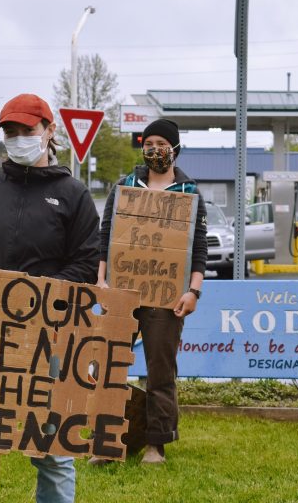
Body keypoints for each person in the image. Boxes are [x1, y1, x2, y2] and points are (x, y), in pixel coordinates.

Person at [0, 93, 100, 503]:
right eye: (10, 131)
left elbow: (85, 264)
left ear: (49, 132)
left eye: (26, 130)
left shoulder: (74, 195)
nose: (17, 138)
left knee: (52, 448)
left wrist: (38, 302)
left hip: (48, 338)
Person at [92, 118, 207, 465]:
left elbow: (198, 248)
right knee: (109, 368)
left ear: (174, 148)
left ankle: (156, 443)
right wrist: (102, 281)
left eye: (161, 143)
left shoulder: (189, 192)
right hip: (122, 295)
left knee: (160, 371)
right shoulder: (125, 187)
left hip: (167, 297)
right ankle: (107, 441)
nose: (154, 149)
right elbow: (107, 237)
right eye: (149, 142)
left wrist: (193, 292)